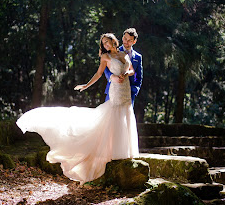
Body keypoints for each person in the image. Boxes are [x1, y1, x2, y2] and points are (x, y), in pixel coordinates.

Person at [16, 33, 139, 185]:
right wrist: (86, 85)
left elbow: (132, 70)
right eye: (104, 44)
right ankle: (111, 152)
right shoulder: (105, 57)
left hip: (125, 89)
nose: (106, 45)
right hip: (116, 90)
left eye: (108, 42)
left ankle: (124, 151)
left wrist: (126, 73)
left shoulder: (122, 53)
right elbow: (99, 73)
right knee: (113, 117)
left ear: (114, 41)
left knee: (125, 116)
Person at [104, 28, 143, 106]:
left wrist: (134, 90)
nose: (126, 41)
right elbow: (105, 68)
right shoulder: (113, 51)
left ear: (134, 42)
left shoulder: (138, 57)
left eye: (130, 40)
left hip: (129, 94)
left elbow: (138, 76)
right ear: (122, 37)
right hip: (113, 90)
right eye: (125, 38)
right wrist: (112, 77)